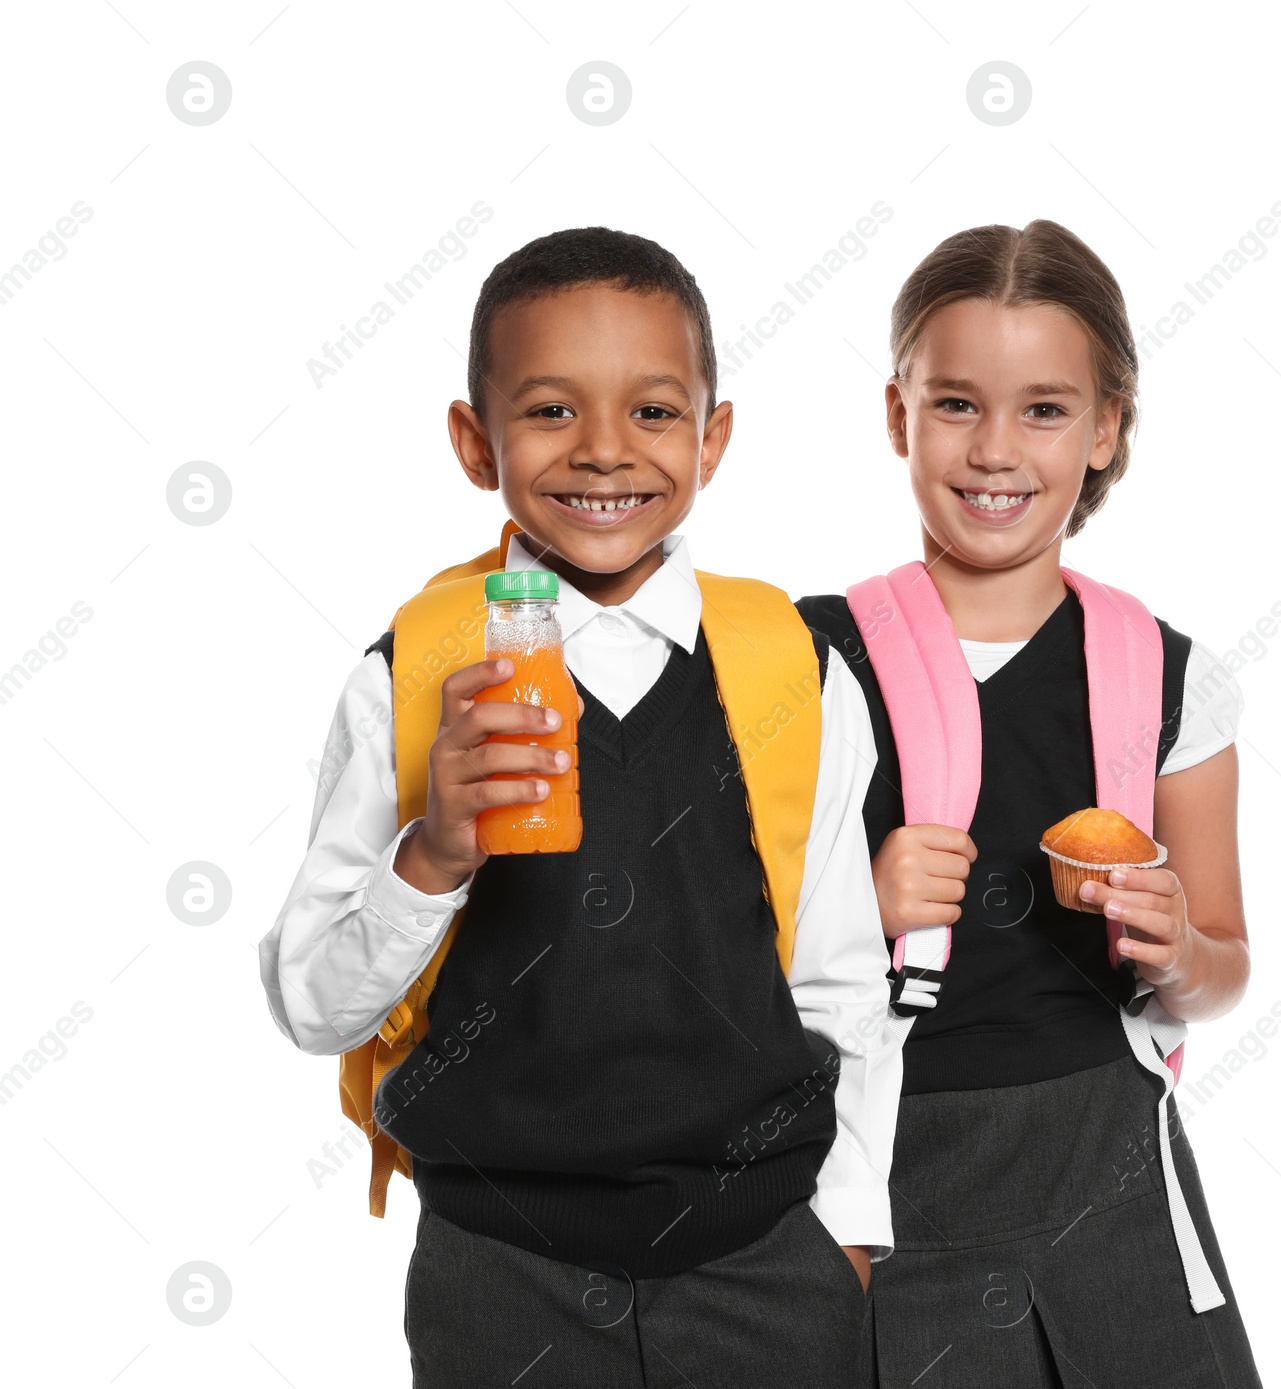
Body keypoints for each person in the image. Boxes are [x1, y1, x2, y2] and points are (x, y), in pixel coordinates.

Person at [260, 226, 899, 1388]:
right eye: (551, 411)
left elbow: (844, 978)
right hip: (501, 1270)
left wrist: (849, 1229)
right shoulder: (409, 676)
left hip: (765, 1257)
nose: (605, 452)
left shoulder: (792, 670)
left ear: (713, 437)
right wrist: (435, 852)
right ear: (474, 439)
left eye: (654, 413)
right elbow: (313, 1007)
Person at [798, 220, 1263, 1387]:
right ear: (898, 415)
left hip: (1109, 1172)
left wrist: (1173, 948)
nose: (995, 448)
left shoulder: (1169, 674)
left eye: (1045, 409)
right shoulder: (799, 664)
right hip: (887, 1169)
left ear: (1107, 428)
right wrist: (857, 907)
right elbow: (704, 952)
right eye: (955, 404)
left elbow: (1225, 967)